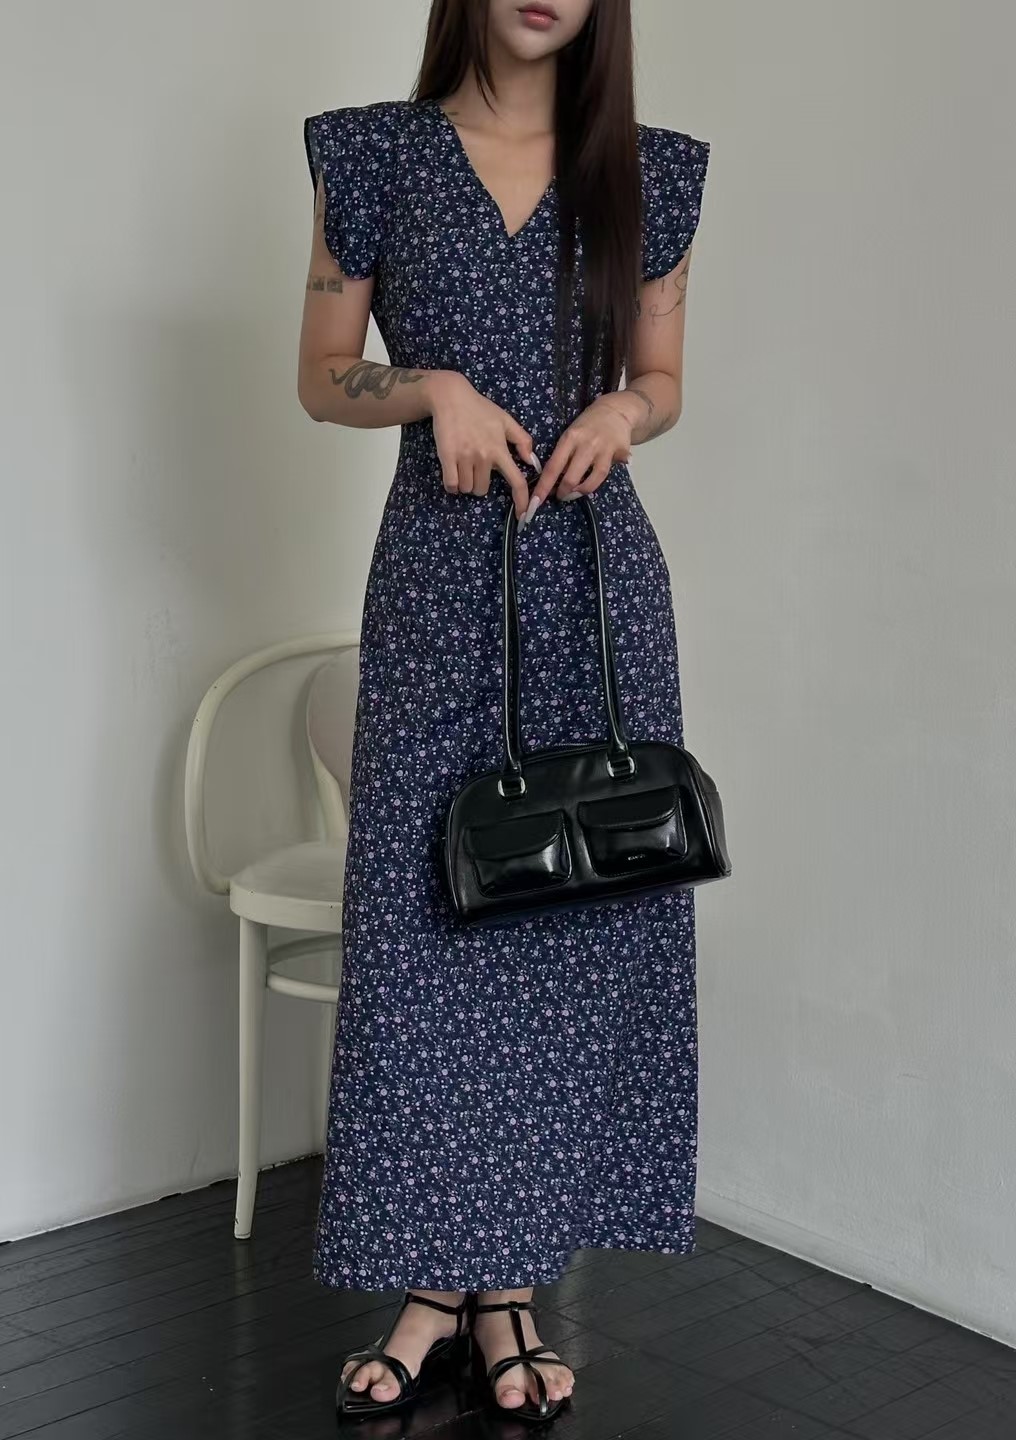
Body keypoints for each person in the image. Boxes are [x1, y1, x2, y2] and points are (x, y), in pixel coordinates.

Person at [298, 0, 711, 1424]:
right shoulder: (374, 154)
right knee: (425, 925)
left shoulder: (650, 171)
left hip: (594, 586)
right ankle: (434, 1283)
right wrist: (435, 391)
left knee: (567, 930)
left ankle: (508, 1289)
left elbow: (662, 377)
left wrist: (625, 416)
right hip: (437, 581)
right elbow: (320, 374)